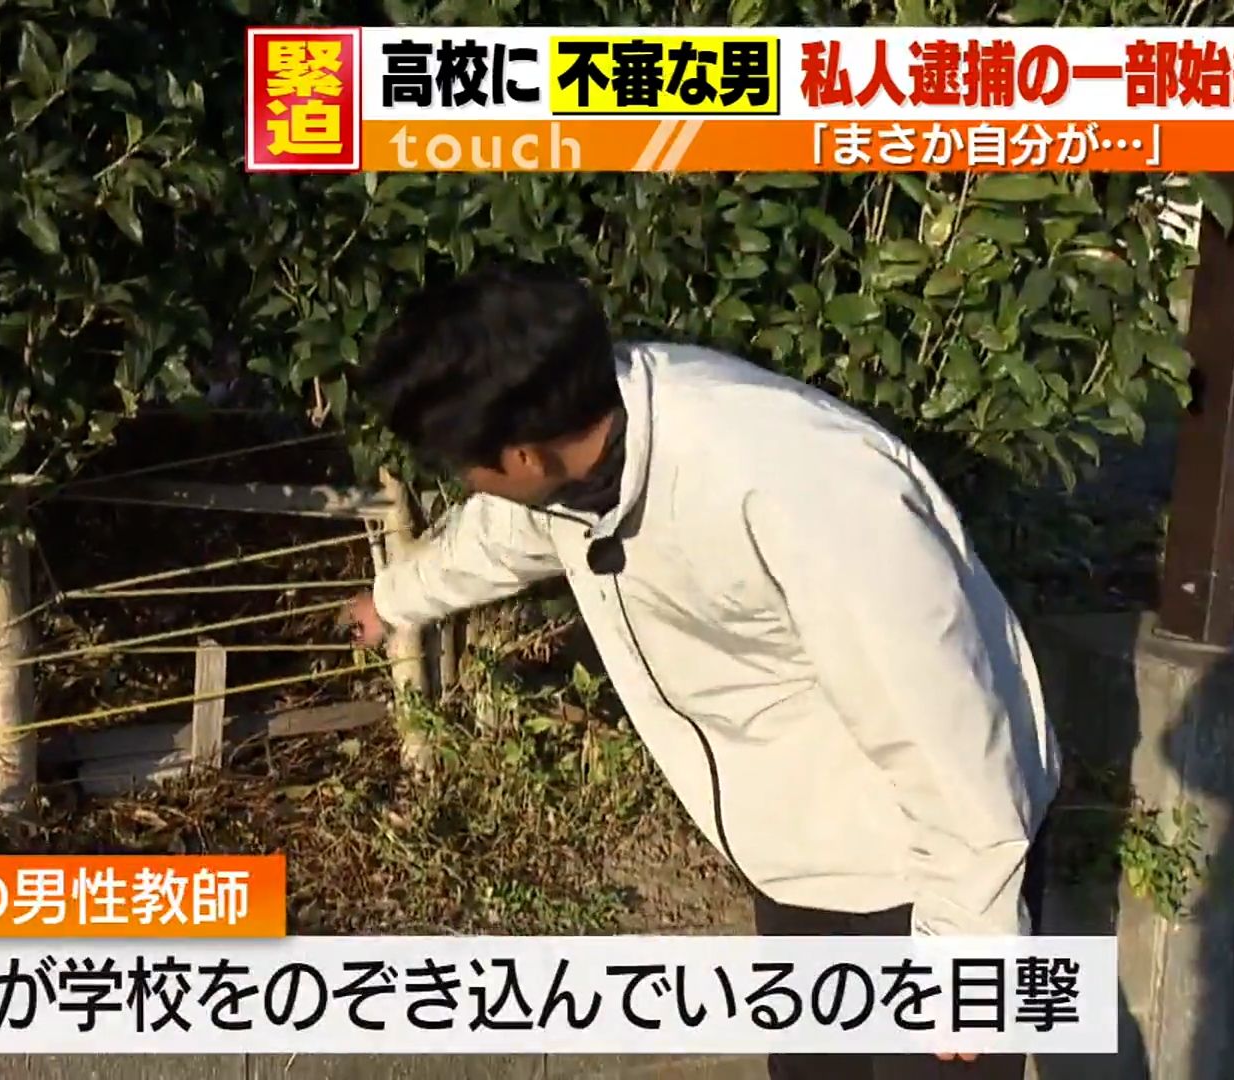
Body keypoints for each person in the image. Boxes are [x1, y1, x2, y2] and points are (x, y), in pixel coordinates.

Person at [343, 260, 1059, 1080]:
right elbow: (505, 535)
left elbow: (943, 723)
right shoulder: (586, 445)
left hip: (931, 850)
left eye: (460, 464)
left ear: (524, 455)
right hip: (799, 847)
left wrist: (971, 950)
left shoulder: (797, 482)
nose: (465, 482)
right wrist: (395, 600)